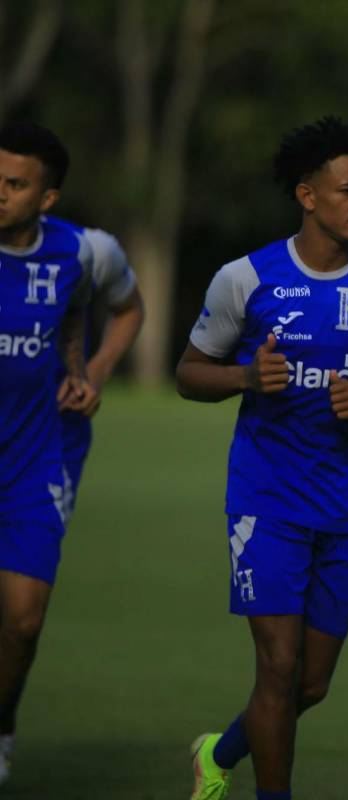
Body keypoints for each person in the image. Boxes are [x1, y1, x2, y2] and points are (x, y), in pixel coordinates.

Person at [177, 117, 348, 800]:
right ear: (307, 195)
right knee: (278, 666)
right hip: (266, 498)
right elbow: (189, 373)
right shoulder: (246, 278)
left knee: (311, 684)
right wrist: (245, 379)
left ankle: (219, 750)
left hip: (344, 501)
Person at [0, 121, 97, 785]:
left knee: (24, 621)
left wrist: (86, 370)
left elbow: (118, 309)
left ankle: (2, 722)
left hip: (34, 460)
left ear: (47, 199)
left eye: (14, 184)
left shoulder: (79, 253)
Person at [50, 217, 145, 521]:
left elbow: (129, 309)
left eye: (14, 183)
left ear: (48, 195)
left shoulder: (88, 249)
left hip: (53, 439)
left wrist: (97, 372)